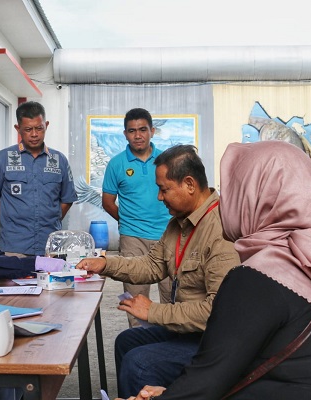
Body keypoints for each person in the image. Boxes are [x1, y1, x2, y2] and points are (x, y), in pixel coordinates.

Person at [121, 140, 311, 400]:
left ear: (255, 198)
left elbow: (209, 378)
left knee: (141, 361)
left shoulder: (259, 276)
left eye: (234, 192)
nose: (224, 203)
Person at [76, 145, 240, 398]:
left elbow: (216, 312)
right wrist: (106, 264)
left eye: (164, 189)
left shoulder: (220, 231)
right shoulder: (179, 224)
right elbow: (153, 265)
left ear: (189, 184)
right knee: (126, 341)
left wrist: (154, 311)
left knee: (140, 362)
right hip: (190, 331)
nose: (160, 198)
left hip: (213, 340)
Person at [102, 108, 172, 328]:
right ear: (125, 134)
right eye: (132, 131)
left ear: (152, 131)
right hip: (133, 239)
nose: (138, 135)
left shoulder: (166, 160)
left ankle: (170, 347)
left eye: (143, 130)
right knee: (134, 298)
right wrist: (127, 223)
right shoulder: (116, 164)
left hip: (168, 235)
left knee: (172, 297)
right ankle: (138, 347)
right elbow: (108, 201)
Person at [0, 101, 78, 256]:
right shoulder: (1, 159)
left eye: (39, 128)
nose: (35, 134)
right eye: (28, 129)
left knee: (51, 280)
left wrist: (50, 219)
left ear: (46, 125)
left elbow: (67, 199)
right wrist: (10, 223)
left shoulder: (59, 160)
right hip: (13, 246)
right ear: (18, 129)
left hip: (49, 245)